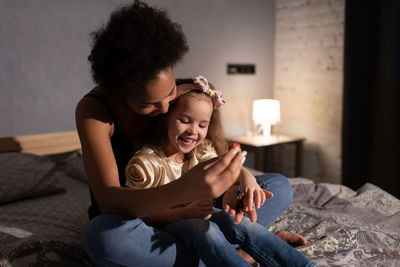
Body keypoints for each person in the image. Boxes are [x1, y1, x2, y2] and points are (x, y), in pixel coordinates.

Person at [76, 1, 306, 266]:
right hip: (140, 218)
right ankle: (235, 250)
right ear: (118, 92)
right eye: (148, 104)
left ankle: (221, 248)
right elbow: (109, 201)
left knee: (277, 186)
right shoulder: (95, 111)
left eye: (170, 91)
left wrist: (243, 180)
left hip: (201, 209)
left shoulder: (188, 91)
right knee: (101, 237)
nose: (165, 108)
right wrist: (185, 193)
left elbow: (219, 154)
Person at [125, 76, 316, 267]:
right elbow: (142, 214)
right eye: (184, 121)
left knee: (239, 220)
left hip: (202, 213)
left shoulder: (201, 150)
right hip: (170, 224)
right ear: (166, 118)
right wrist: (185, 212)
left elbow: (227, 165)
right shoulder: (146, 164)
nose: (193, 131)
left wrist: (247, 181)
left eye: (202, 125)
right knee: (206, 230)